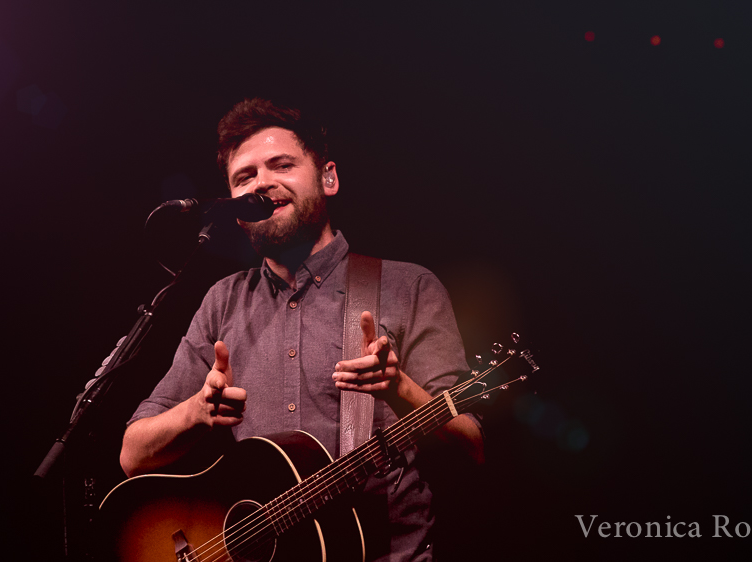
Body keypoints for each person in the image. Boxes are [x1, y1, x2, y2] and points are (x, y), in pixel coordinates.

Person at [119, 98, 484, 562]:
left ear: (328, 178)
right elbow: (134, 456)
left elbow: (472, 446)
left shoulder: (407, 286)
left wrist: (400, 389)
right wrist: (197, 411)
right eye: (244, 177)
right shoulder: (223, 300)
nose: (262, 183)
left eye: (281, 165)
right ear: (236, 208)